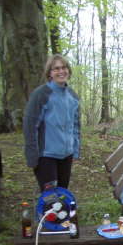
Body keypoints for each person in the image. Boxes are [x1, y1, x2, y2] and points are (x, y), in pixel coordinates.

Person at [23, 54, 81, 192]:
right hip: (46, 156)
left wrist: (76, 151)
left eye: (64, 67)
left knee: (62, 194)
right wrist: (32, 156)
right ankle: (45, 214)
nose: (61, 71)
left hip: (66, 155)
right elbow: (30, 126)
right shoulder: (41, 94)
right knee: (50, 198)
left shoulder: (72, 95)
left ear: (68, 70)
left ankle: (62, 214)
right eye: (56, 69)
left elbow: (76, 126)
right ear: (50, 73)